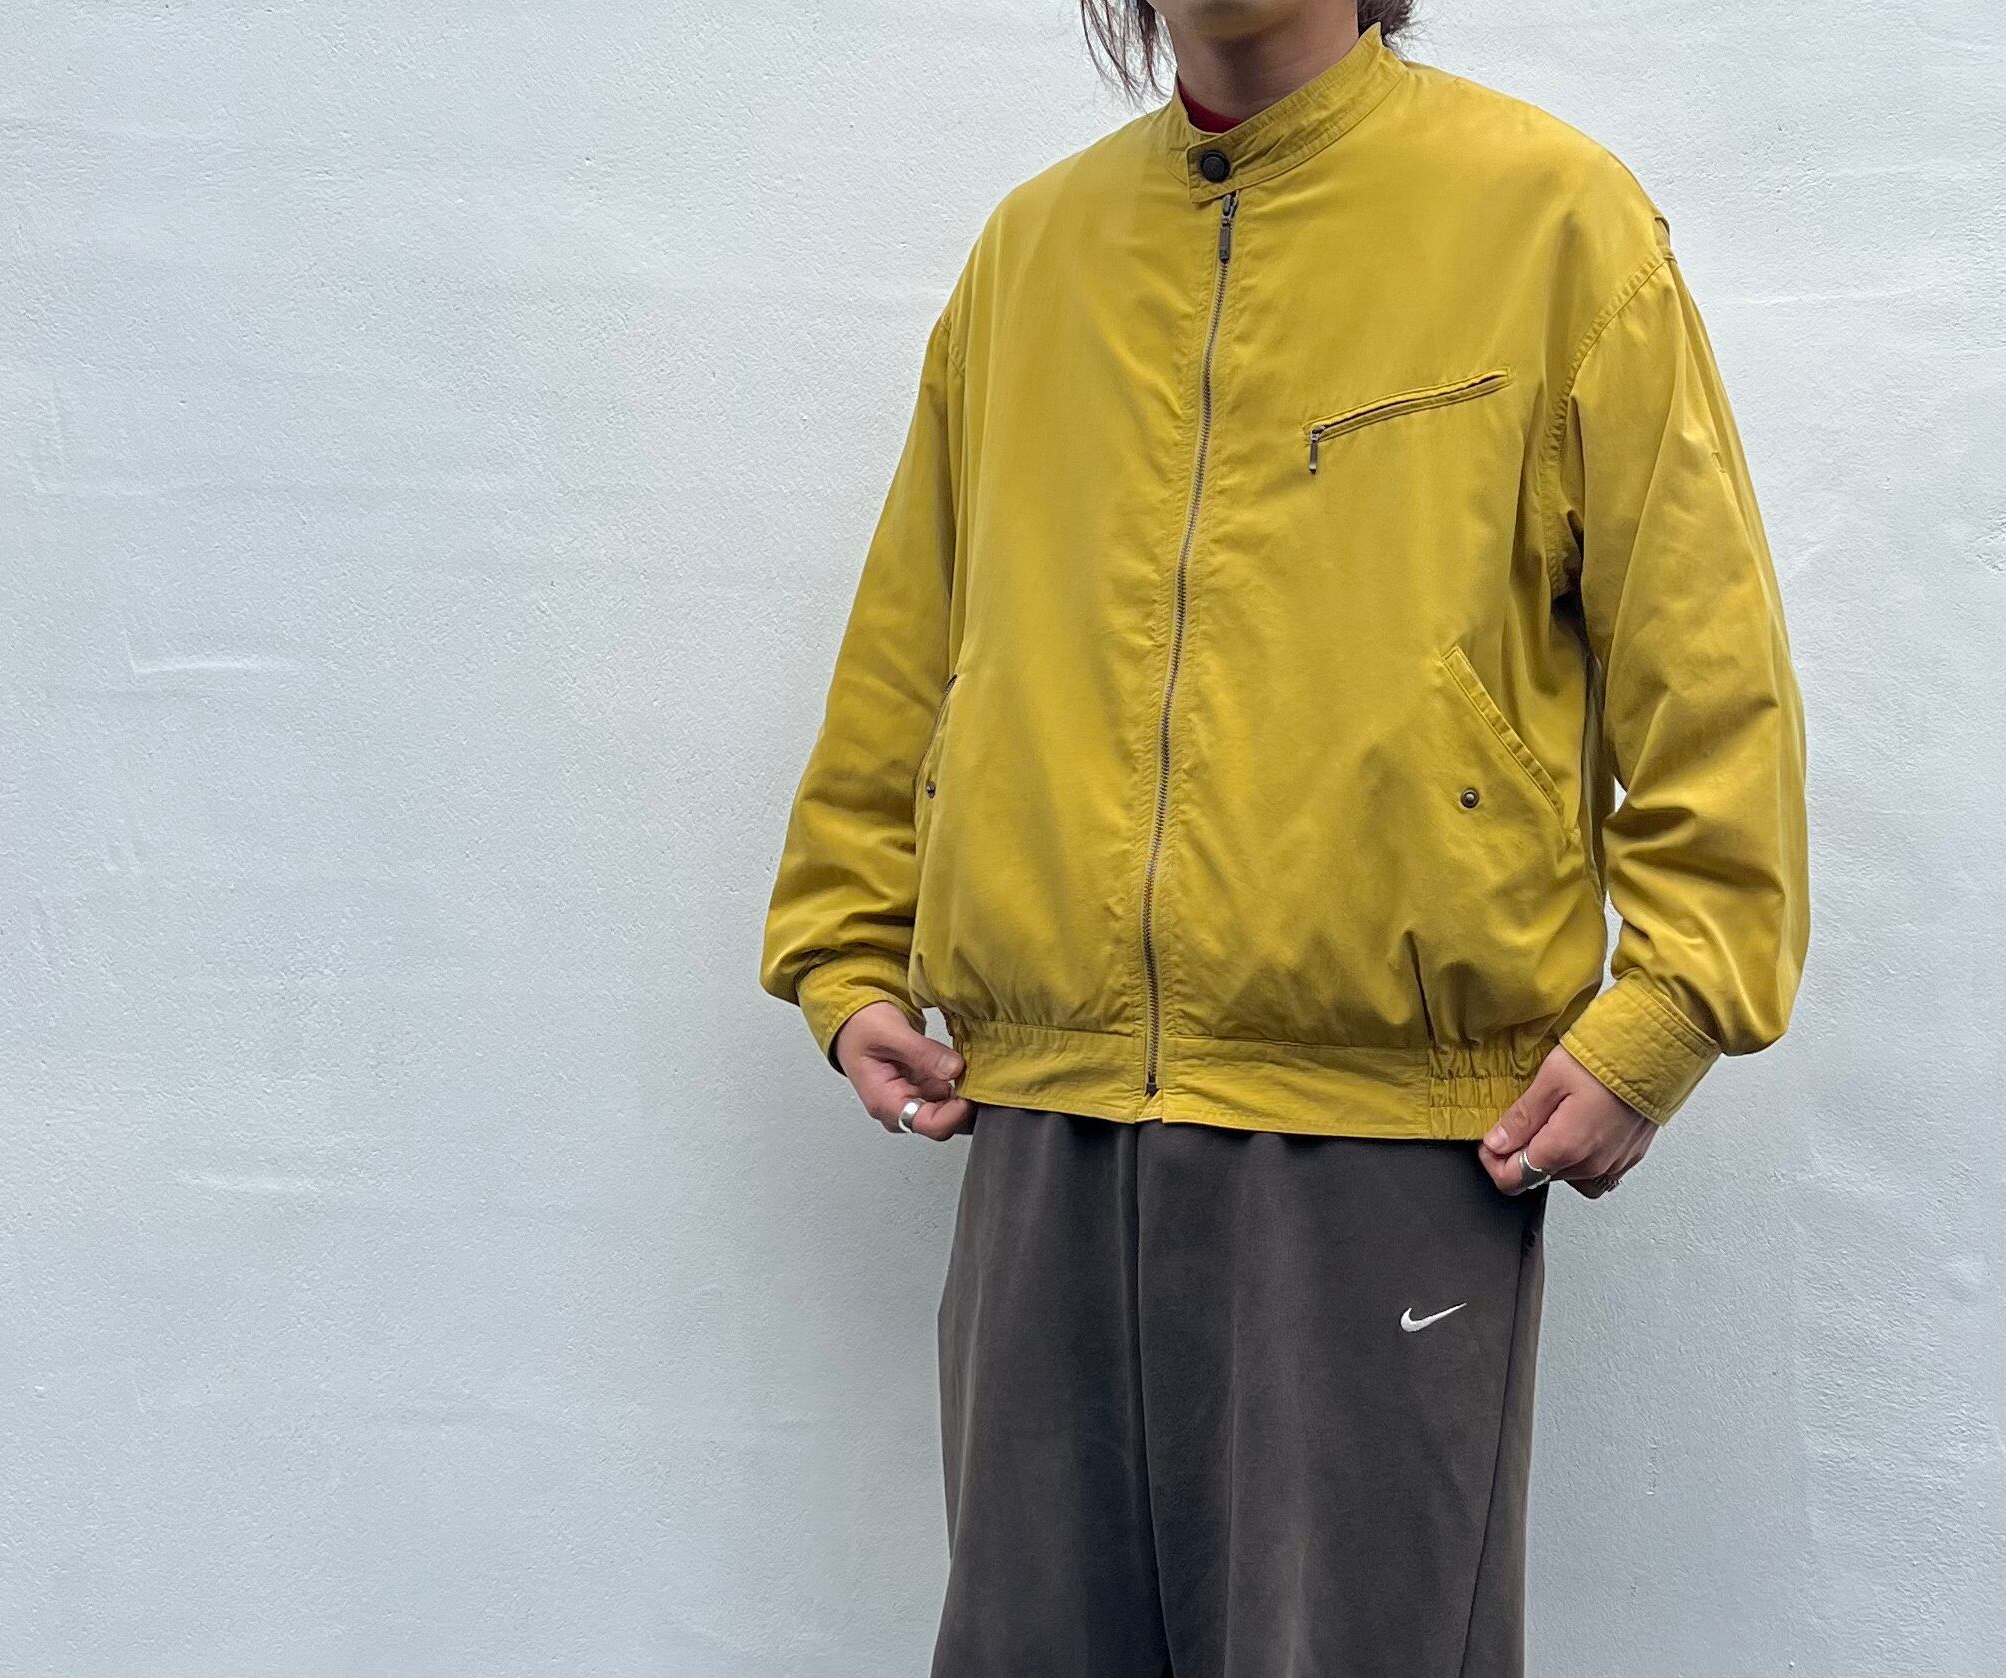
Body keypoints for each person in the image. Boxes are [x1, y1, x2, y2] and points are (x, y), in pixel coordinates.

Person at [759, 2, 1809, 1672]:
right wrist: (844, 944)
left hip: (1387, 1141)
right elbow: (915, 643)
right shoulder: (1034, 253)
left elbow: (1710, 672)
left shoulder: (1551, 221)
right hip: (1044, 1120)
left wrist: (1672, 1004)